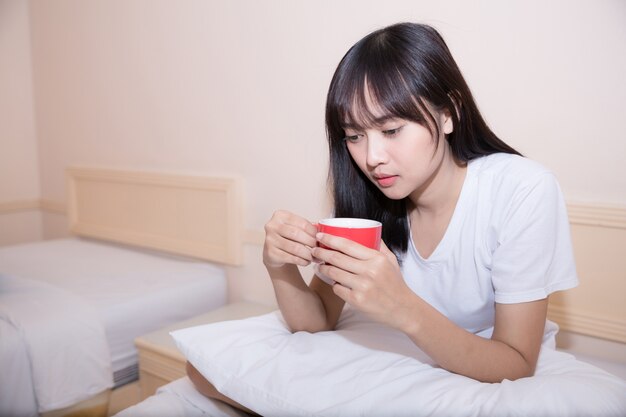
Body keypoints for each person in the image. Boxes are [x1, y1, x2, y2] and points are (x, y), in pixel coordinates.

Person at [187, 21, 578, 411]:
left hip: (483, 367)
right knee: (203, 369)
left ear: (448, 113)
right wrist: (280, 268)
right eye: (355, 136)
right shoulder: (367, 199)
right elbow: (317, 322)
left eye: (391, 129)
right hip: (395, 352)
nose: (371, 158)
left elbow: (516, 361)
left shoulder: (521, 190)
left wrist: (403, 307)